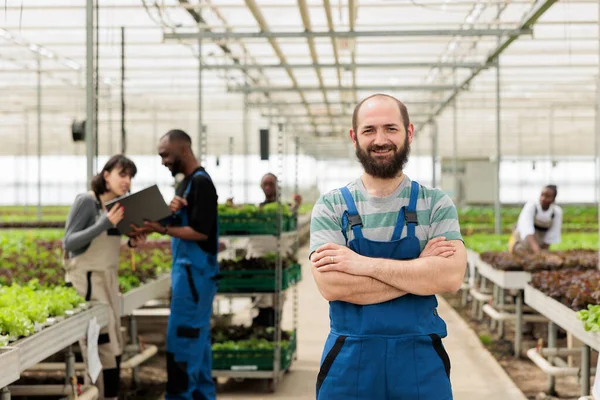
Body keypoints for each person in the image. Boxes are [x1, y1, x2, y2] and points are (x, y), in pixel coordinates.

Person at [309, 94, 467, 400]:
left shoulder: (435, 203)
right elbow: (331, 284)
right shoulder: (331, 205)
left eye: (390, 129)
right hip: (348, 358)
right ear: (354, 137)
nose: (380, 139)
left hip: (420, 358)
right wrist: (419, 272)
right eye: (369, 130)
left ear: (409, 132)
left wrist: (362, 265)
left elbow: (449, 278)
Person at [133, 129, 219, 400]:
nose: (163, 161)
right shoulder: (187, 184)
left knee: (183, 343)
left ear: (183, 150)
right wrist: (170, 214)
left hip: (195, 278)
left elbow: (201, 232)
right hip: (188, 276)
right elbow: (185, 221)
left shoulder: (202, 183)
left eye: (165, 155)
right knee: (198, 346)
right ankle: (202, 395)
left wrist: (161, 229)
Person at [63, 155, 146, 400]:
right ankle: (99, 394)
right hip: (87, 281)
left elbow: (110, 242)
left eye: (130, 176)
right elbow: (69, 242)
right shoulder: (87, 202)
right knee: (101, 342)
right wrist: (103, 223)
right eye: (122, 174)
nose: (127, 181)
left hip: (108, 280)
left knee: (115, 341)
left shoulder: (120, 206)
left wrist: (132, 242)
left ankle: (111, 395)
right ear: (106, 174)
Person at [245, 173, 302, 327]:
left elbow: (292, 225)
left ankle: (273, 332)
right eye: (265, 184)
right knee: (261, 303)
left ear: (278, 186)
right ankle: (261, 332)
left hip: (278, 263)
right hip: (259, 264)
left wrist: (296, 207)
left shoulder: (283, 210)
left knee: (277, 304)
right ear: (261, 187)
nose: (268, 187)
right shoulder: (257, 210)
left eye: (271, 183)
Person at [509, 185, 562, 255]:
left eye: (548, 196)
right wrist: (537, 251)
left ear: (553, 198)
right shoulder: (531, 207)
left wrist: (544, 251)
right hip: (522, 243)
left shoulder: (556, 212)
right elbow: (527, 229)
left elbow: (552, 234)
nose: (543, 198)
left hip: (539, 245)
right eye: (542, 195)